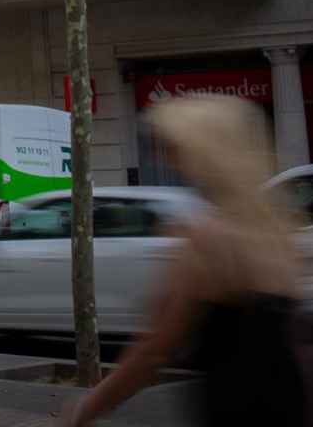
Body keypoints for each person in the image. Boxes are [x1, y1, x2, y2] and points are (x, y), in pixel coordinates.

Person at [67, 95, 308, 426]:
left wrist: (89, 407)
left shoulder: (206, 237)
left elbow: (154, 349)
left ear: (204, 153)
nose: (167, 159)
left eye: (173, 148)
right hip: (288, 404)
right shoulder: (277, 229)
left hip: (232, 407)